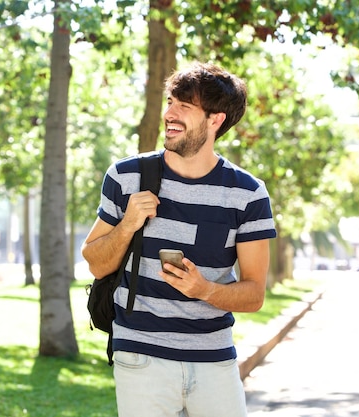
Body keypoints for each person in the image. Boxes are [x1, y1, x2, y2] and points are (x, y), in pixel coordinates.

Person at [81, 61, 277, 417]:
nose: (169, 113)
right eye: (170, 101)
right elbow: (95, 262)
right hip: (140, 354)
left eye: (184, 106)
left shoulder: (247, 194)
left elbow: (254, 294)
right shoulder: (127, 177)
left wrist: (204, 290)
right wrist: (128, 225)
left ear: (215, 120)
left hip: (213, 358)